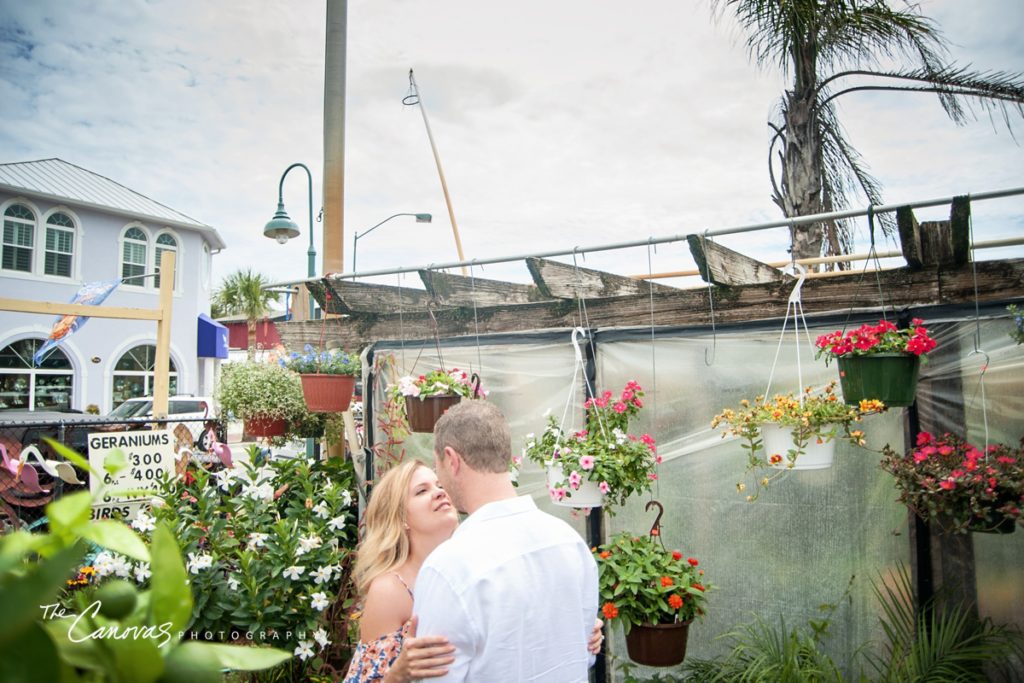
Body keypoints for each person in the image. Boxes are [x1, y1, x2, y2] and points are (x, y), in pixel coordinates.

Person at [343, 448, 604, 682]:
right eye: (422, 491)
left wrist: (575, 628)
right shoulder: (390, 590)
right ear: (399, 518)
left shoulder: (472, 561)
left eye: (438, 484)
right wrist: (399, 674)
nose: (438, 492)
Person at [413, 401, 600, 682]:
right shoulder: (570, 543)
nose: (439, 479)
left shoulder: (449, 568)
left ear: (452, 460)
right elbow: (583, 652)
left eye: (436, 465)